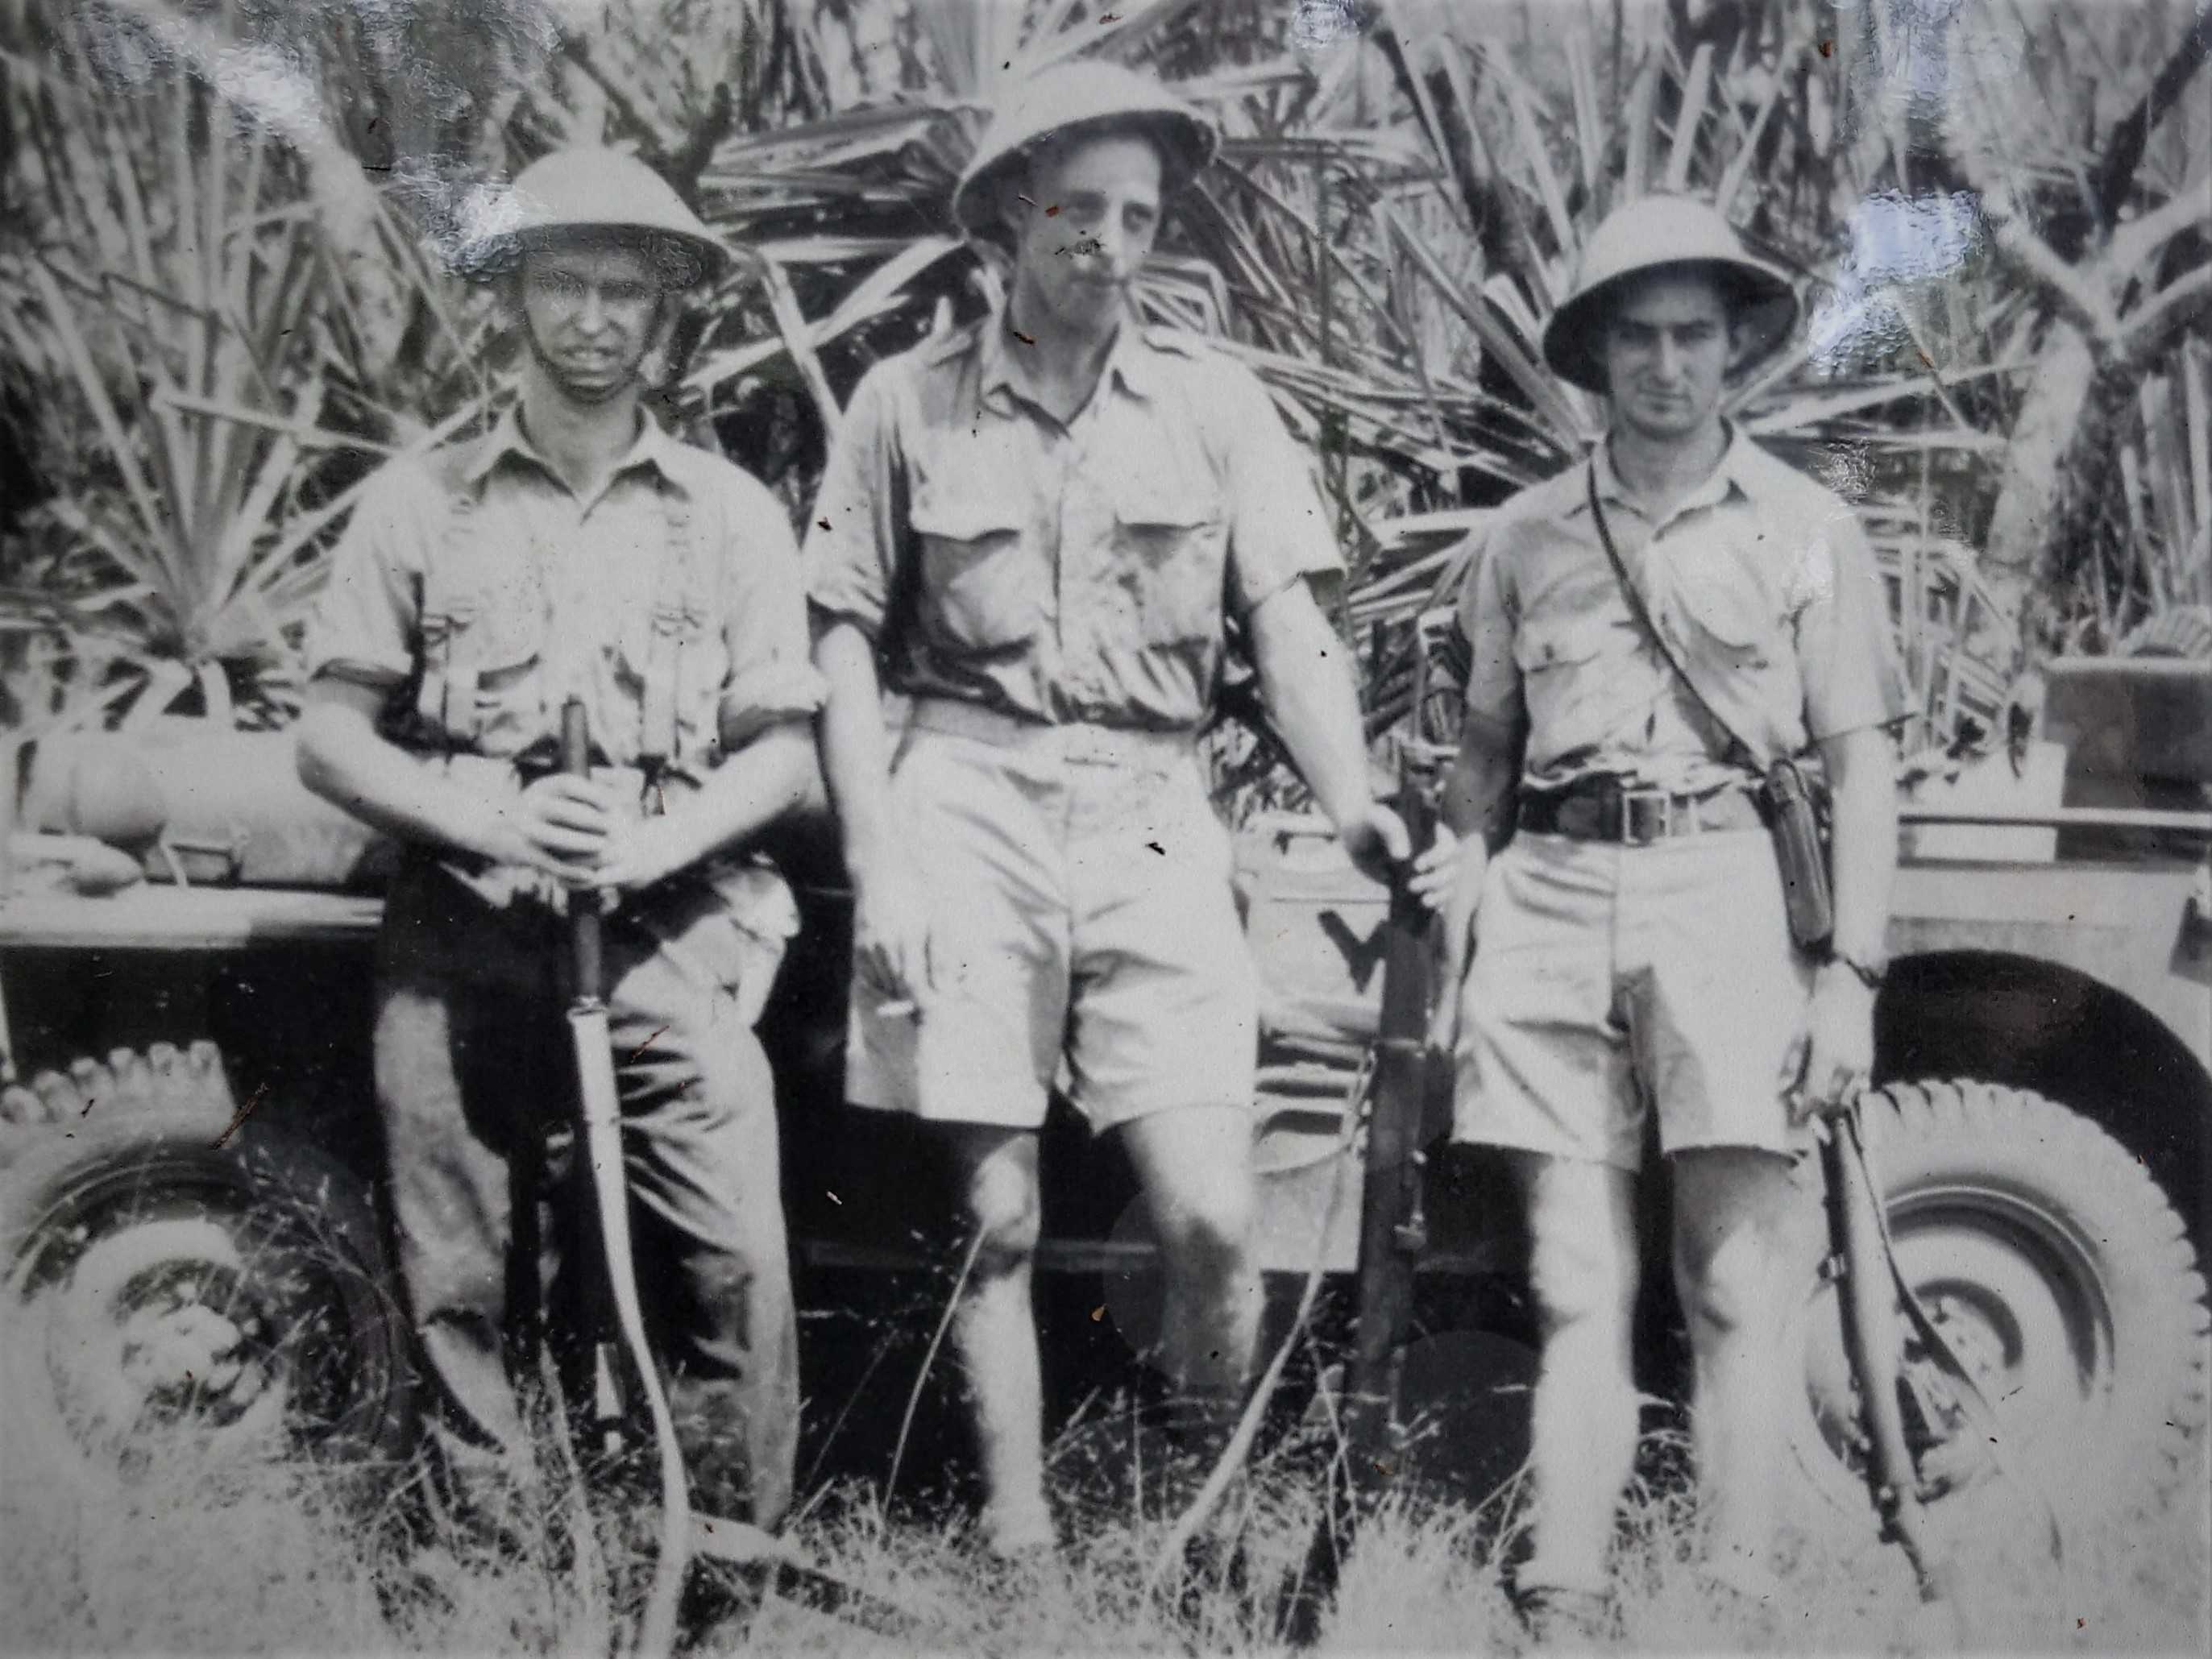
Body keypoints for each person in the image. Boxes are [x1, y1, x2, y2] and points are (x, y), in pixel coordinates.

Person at [805, 61, 1409, 1558]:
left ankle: (1208, 1521)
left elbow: (1292, 623)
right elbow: (834, 635)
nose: (1110, 240)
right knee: (994, 1216)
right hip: (962, 784)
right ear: (1015, 212)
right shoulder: (906, 404)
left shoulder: (1216, 407)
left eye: (1140, 215)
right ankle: (1017, 1543)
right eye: (1080, 208)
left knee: (1209, 1211)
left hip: (1149, 800)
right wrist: (880, 861)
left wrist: (1355, 806)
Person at [297, 147, 817, 1536]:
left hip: (662, 933)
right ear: (514, 299)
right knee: (463, 1271)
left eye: (622, 294)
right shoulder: (424, 501)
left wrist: (654, 849)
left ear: (664, 320)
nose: (592, 316)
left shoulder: (728, 515)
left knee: (727, 1261)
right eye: (563, 284)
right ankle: (499, 1562)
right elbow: (330, 732)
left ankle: (718, 1563)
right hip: (460, 931)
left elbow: (783, 747)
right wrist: (488, 817)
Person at [1420, 194, 1906, 1635]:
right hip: (1555, 896)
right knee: (1575, 1275)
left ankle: (1732, 1591)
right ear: (1593, 356)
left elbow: (1858, 759)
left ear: (1737, 348)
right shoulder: (1521, 537)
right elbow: (1485, 761)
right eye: (1634, 336)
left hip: (1724, 891)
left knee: (1736, 1278)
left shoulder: (1805, 528)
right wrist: (1460, 897)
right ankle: (1565, 1588)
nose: (1665, 365)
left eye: (1693, 334)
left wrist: (1852, 978)